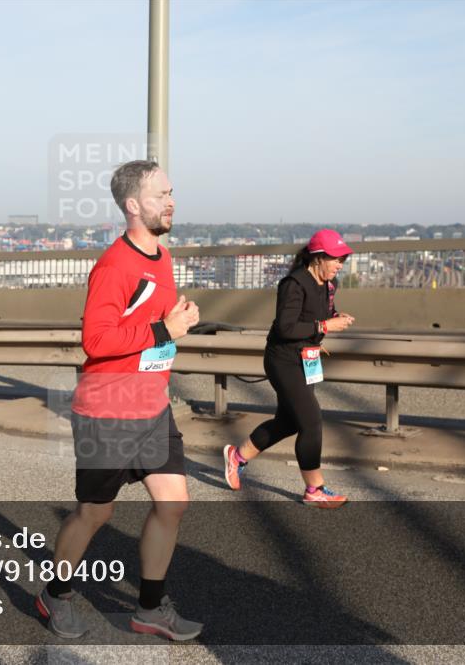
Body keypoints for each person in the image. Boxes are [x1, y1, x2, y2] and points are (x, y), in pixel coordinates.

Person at [36, 160, 203, 641]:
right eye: (159, 195)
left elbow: (151, 327)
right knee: (95, 513)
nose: (170, 201)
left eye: (172, 192)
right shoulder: (115, 265)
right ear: (132, 205)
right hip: (107, 409)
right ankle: (55, 595)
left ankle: (150, 609)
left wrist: (176, 320)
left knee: (173, 504)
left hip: (152, 405)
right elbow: (96, 339)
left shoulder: (163, 257)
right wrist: (161, 329)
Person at [222, 229, 355, 508]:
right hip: (283, 360)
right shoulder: (293, 284)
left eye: (342, 259)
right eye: (335, 259)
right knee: (311, 421)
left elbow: (321, 312)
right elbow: (286, 327)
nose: (340, 264)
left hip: (306, 359)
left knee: (289, 421)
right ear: (318, 257)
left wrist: (334, 317)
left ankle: (237, 456)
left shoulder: (329, 284)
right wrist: (324, 327)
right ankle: (314, 489)